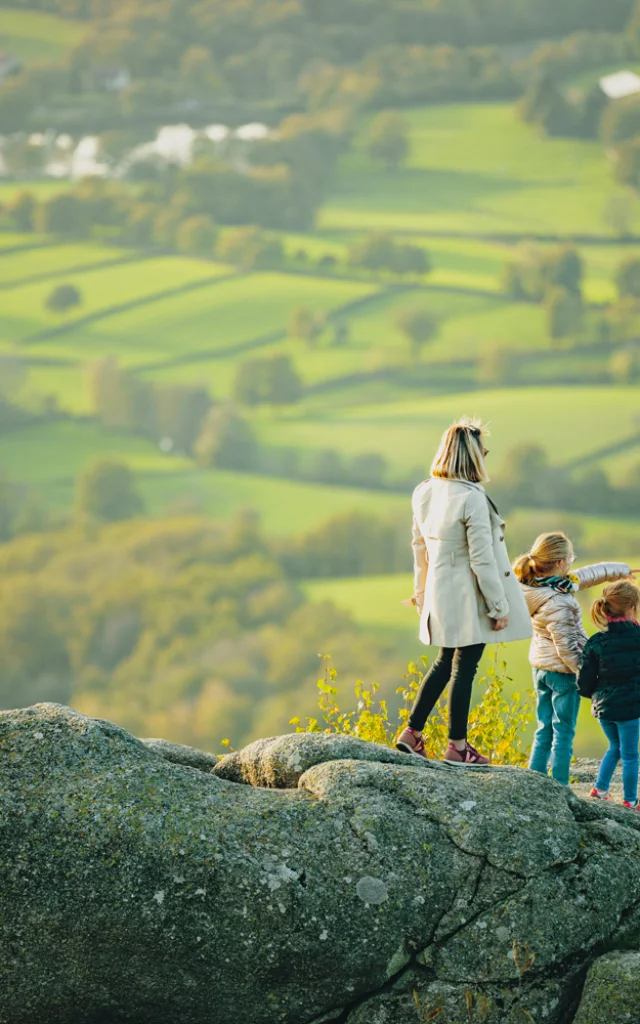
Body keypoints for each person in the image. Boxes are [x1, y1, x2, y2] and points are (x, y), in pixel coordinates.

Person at [395, 417, 532, 766]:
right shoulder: (472, 498)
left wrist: (421, 594)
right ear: (472, 457)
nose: (486, 456)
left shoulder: (424, 491)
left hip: (440, 591)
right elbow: (482, 560)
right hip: (470, 595)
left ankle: (412, 733)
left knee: (444, 661)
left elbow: (418, 548)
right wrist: (499, 607)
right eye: (483, 451)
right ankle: (457, 747)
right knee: (464, 668)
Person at [514, 533, 631, 786]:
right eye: (570, 558)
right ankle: (559, 785)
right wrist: (585, 675)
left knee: (544, 728)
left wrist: (621, 570)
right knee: (563, 732)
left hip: (540, 668)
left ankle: (533, 781)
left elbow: (587, 575)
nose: (573, 562)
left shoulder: (538, 585)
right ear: (559, 563)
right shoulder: (559, 600)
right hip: (564, 673)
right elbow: (566, 647)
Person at [578, 579, 640, 810]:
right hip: (631, 709)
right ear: (632, 607)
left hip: (604, 708)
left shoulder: (596, 642)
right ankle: (631, 801)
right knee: (631, 755)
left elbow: (584, 681)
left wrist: (597, 697)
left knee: (615, 747)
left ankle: (600, 789)